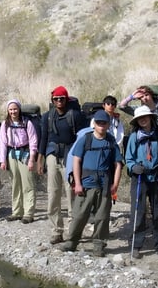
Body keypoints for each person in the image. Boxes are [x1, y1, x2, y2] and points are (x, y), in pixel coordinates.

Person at [59, 110, 123, 257]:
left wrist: (115, 185)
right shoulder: (85, 139)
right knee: (79, 215)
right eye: (98, 123)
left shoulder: (111, 141)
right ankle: (71, 242)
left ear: (108, 125)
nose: (101, 126)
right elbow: (76, 161)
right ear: (94, 124)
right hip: (86, 184)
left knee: (102, 217)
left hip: (105, 185)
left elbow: (118, 164)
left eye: (104, 123)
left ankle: (99, 246)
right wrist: (77, 183)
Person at [37, 85, 87, 244]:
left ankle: (73, 231)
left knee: (71, 193)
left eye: (62, 98)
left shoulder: (76, 116)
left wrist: (82, 159)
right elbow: (43, 138)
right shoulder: (47, 117)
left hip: (70, 156)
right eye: (56, 99)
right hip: (52, 156)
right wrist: (40, 159)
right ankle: (57, 231)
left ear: (67, 99)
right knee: (53, 194)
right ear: (52, 100)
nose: (59, 101)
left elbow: (82, 137)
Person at [126, 105, 158, 259]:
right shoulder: (134, 137)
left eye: (145, 117)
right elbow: (129, 159)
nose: (143, 120)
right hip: (140, 178)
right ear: (136, 121)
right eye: (139, 118)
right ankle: (136, 244)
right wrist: (133, 167)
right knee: (139, 211)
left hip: (157, 176)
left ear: (151, 117)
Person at [0, 99, 39, 224]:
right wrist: (2, 160)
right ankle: (16, 212)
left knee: (28, 184)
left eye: (15, 109)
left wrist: (32, 159)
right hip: (12, 155)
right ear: (7, 111)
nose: (13, 111)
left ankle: (28, 213)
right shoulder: (5, 124)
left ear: (19, 109)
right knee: (15, 184)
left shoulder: (27, 122)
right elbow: (2, 143)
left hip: (25, 154)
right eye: (10, 109)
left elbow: (33, 141)